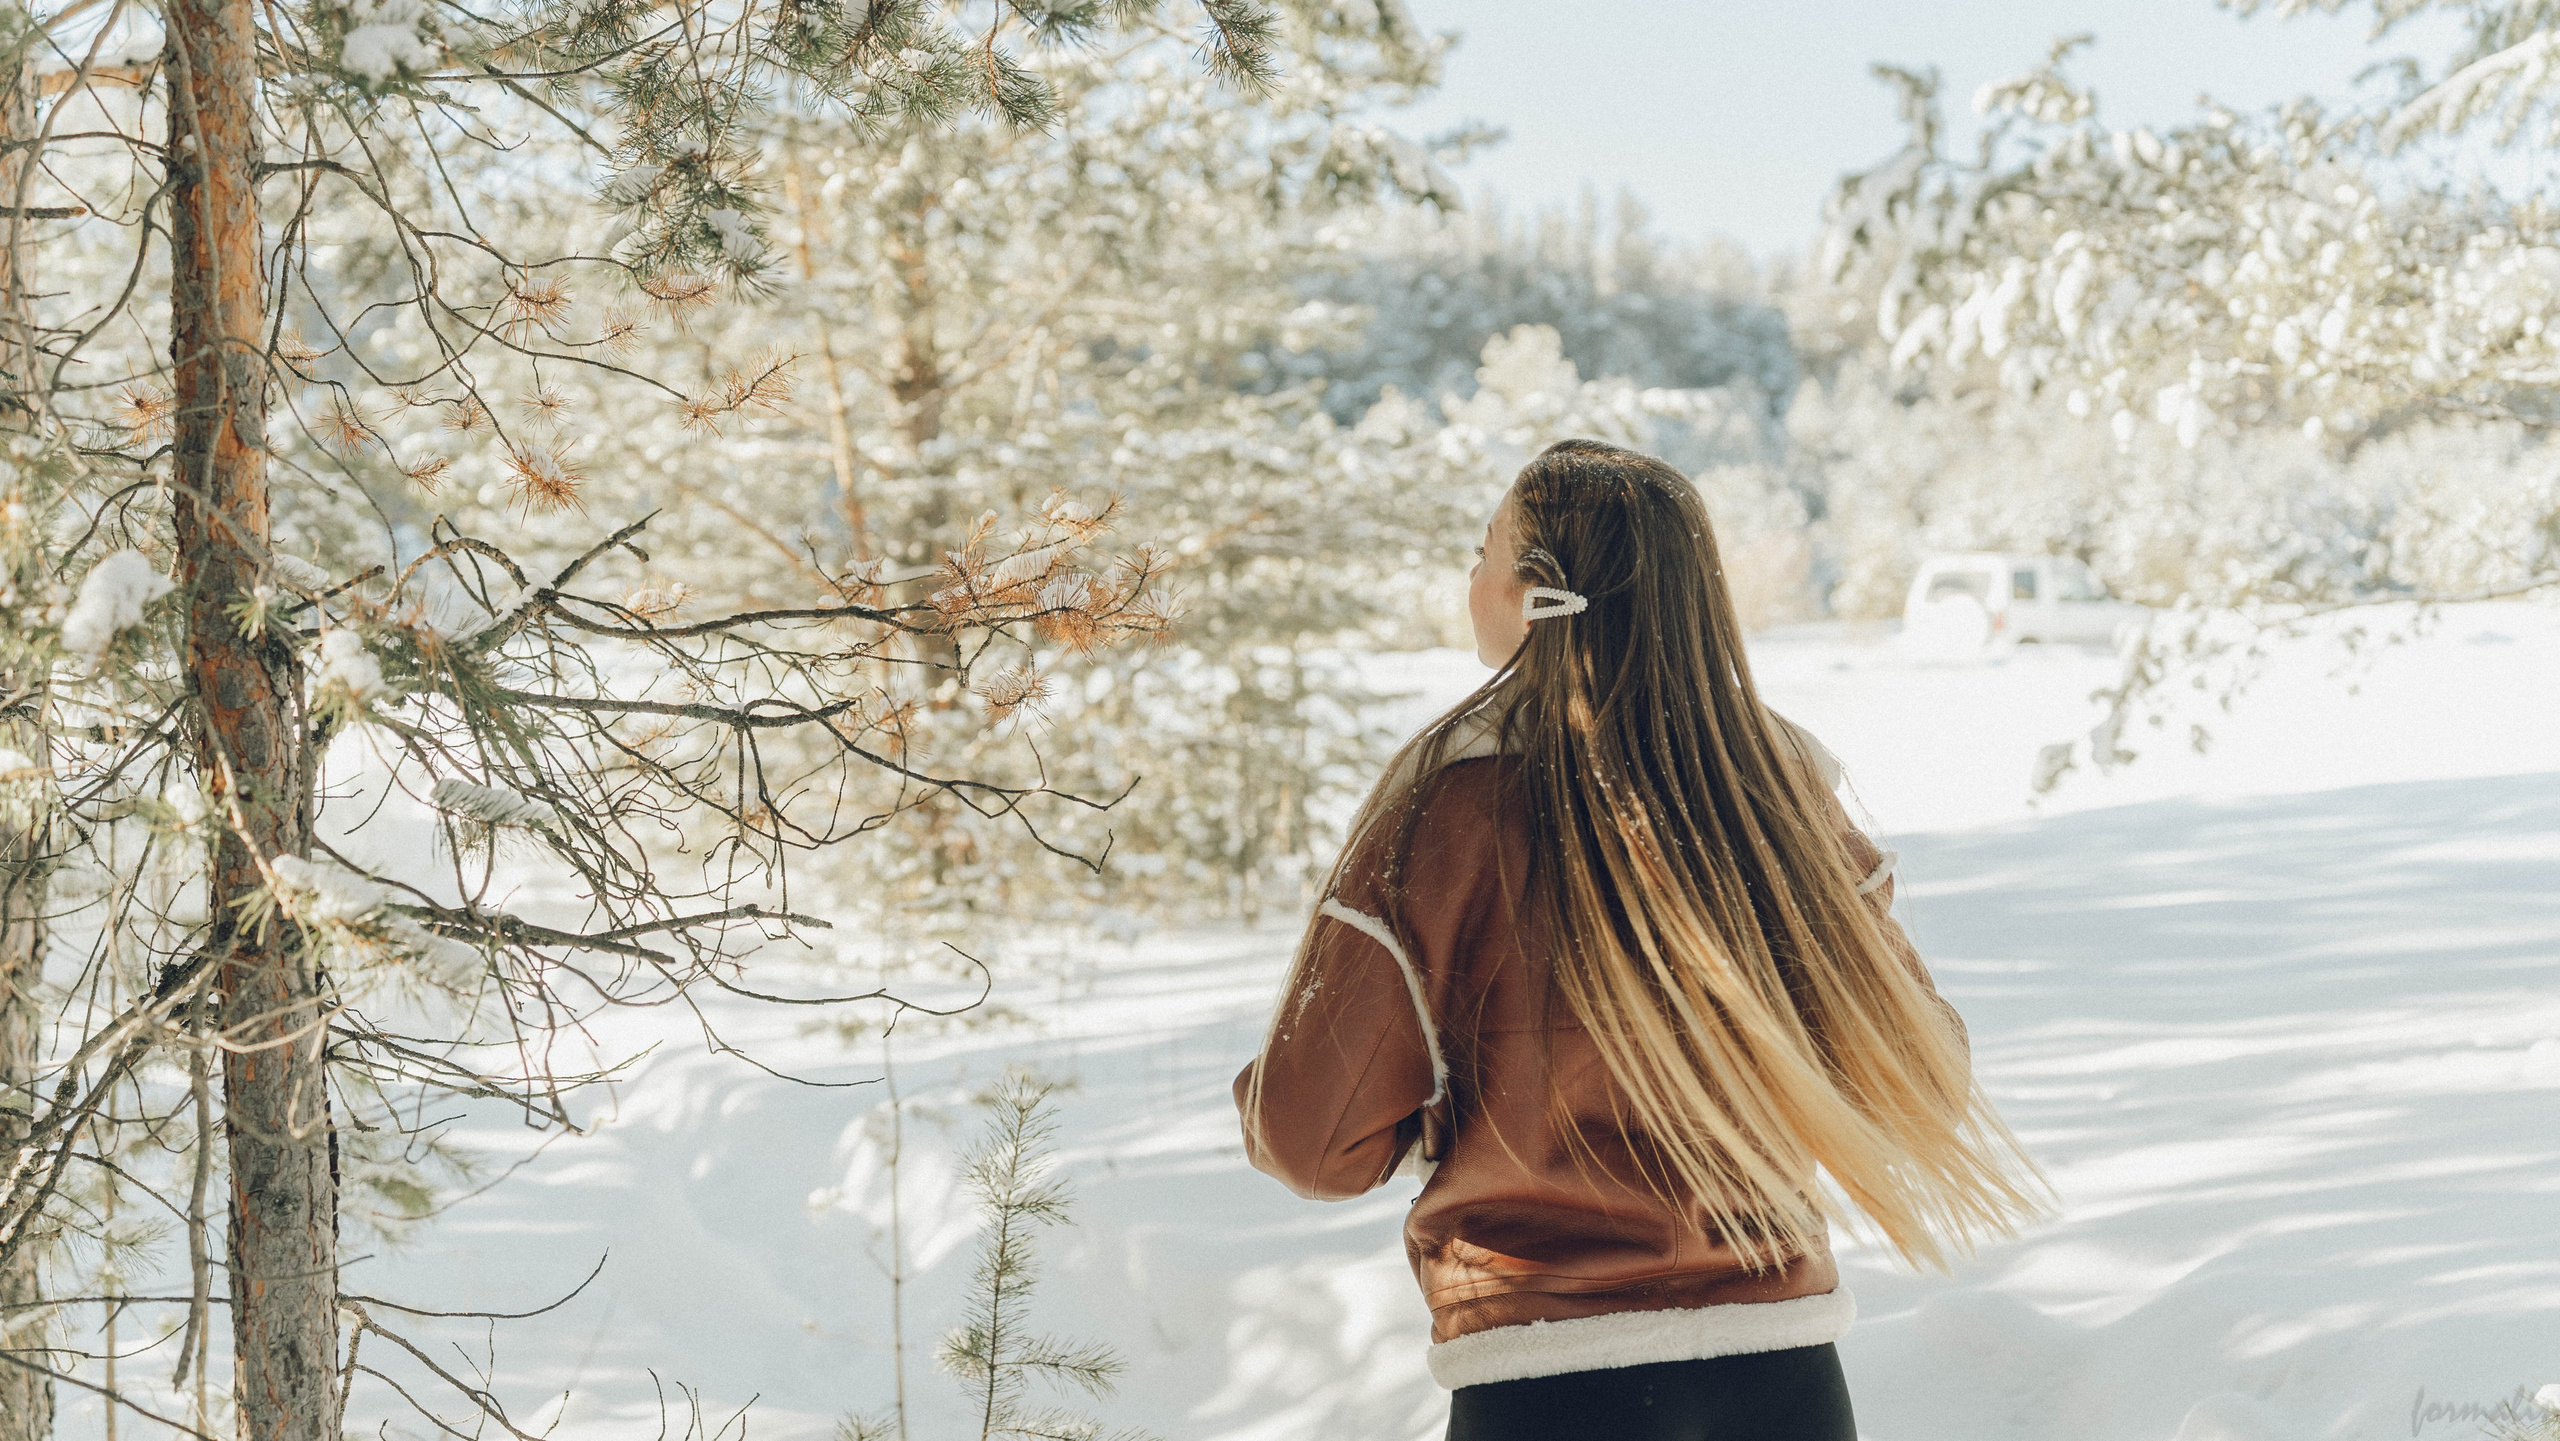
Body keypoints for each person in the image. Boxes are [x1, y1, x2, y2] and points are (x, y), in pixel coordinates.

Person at [1231, 439, 2054, 1441]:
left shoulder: (1441, 816)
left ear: (1535, 594)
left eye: (1485, 549)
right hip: (1782, 1380)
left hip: (1546, 1380)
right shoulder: (1778, 801)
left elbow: (1313, 1140)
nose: (1470, 575)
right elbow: (1917, 1080)